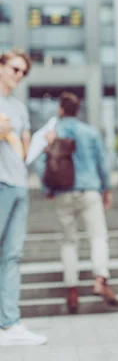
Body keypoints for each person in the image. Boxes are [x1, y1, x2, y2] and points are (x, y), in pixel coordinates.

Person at [35, 92, 118, 314]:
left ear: (61, 110)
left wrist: (48, 188)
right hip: (90, 190)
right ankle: (100, 278)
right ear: (77, 109)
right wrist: (106, 189)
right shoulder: (90, 132)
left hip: (63, 193)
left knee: (69, 242)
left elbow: (41, 162)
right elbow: (102, 162)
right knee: (98, 236)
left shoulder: (52, 134)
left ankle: (71, 292)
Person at [0, 49, 47, 346]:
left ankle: (9, 323)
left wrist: (42, 143)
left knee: (13, 256)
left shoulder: (18, 107)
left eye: (23, 73)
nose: (18, 76)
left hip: (19, 184)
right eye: (14, 69)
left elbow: (25, 150)